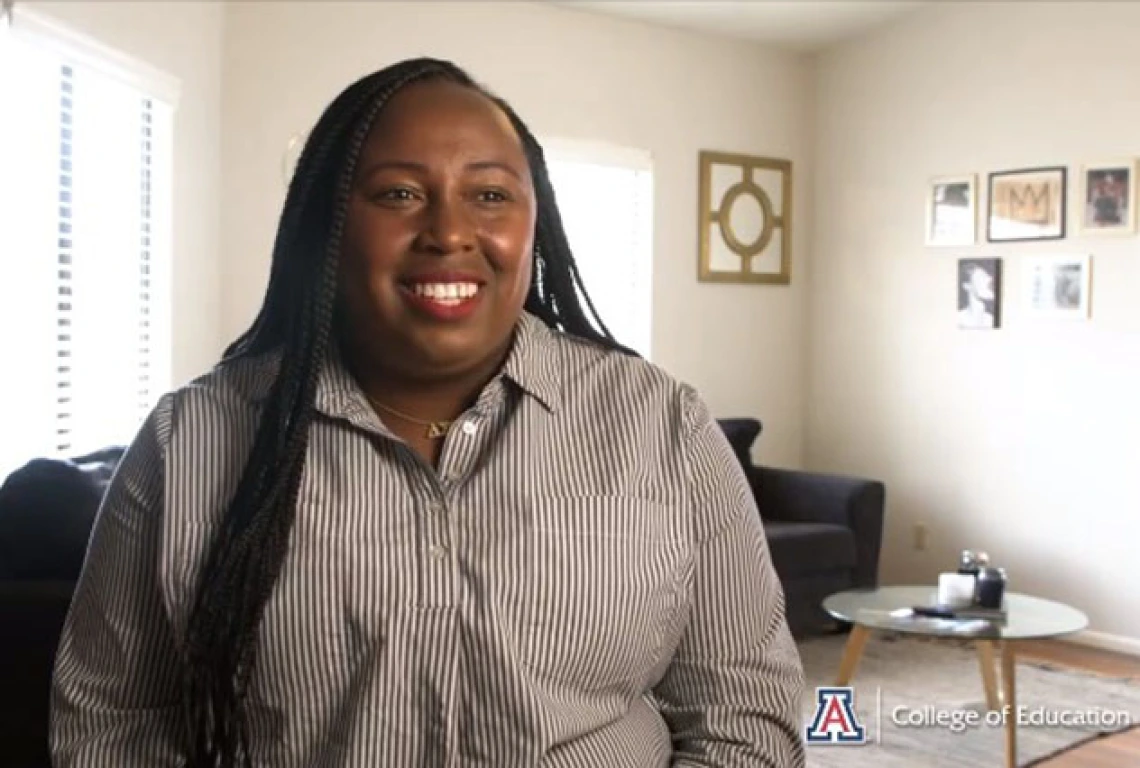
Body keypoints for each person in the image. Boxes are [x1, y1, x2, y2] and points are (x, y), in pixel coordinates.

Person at [49, 58, 806, 767]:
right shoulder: (193, 439)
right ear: (329, 228)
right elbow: (113, 722)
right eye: (399, 194)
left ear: (533, 225)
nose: (448, 232)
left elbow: (745, 714)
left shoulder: (662, 424)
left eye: (489, 195)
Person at [958, 262, 996, 329]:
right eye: (981, 278)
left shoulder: (991, 320)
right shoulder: (957, 319)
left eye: (987, 277)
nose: (989, 283)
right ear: (967, 286)